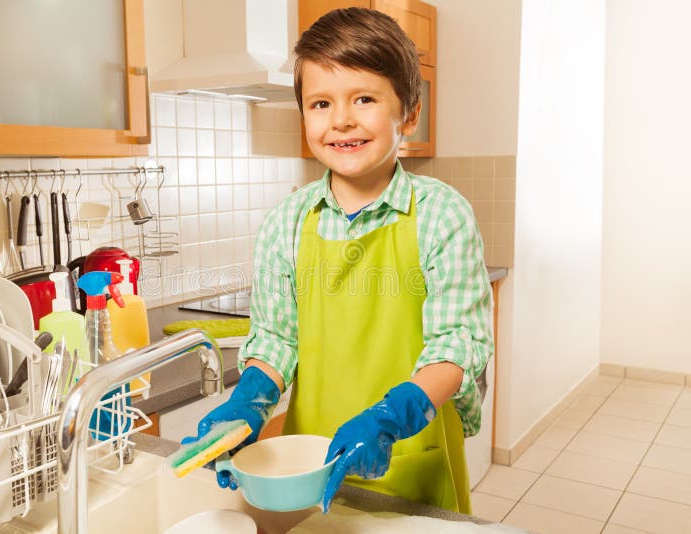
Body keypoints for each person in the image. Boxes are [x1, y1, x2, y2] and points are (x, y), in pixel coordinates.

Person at [183, 7, 493, 515]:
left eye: (365, 99)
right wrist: (250, 402)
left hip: (411, 450)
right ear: (303, 115)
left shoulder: (443, 215)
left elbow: (458, 344)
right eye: (321, 103)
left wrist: (391, 418)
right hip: (311, 459)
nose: (341, 119)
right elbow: (278, 339)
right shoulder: (286, 222)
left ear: (409, 114)